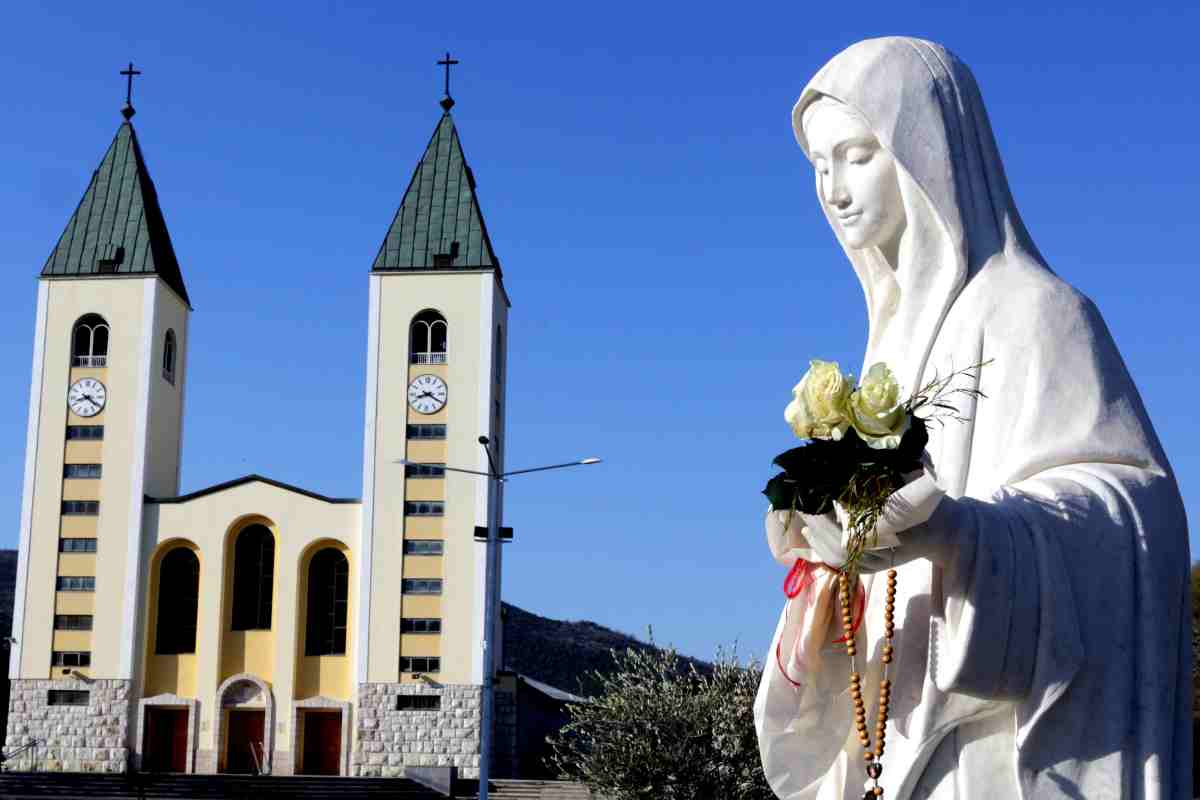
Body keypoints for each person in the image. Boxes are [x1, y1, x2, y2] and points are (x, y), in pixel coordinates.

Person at [754, 37, 1190, 800]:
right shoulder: (888, 353)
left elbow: (1135, 516)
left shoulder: (1038, 313)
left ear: (928, 153)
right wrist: (829, 559)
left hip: (996, 744)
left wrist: (961, 535)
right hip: (896, 735)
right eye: (819, 167)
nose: (833, 188)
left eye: (856, 154)